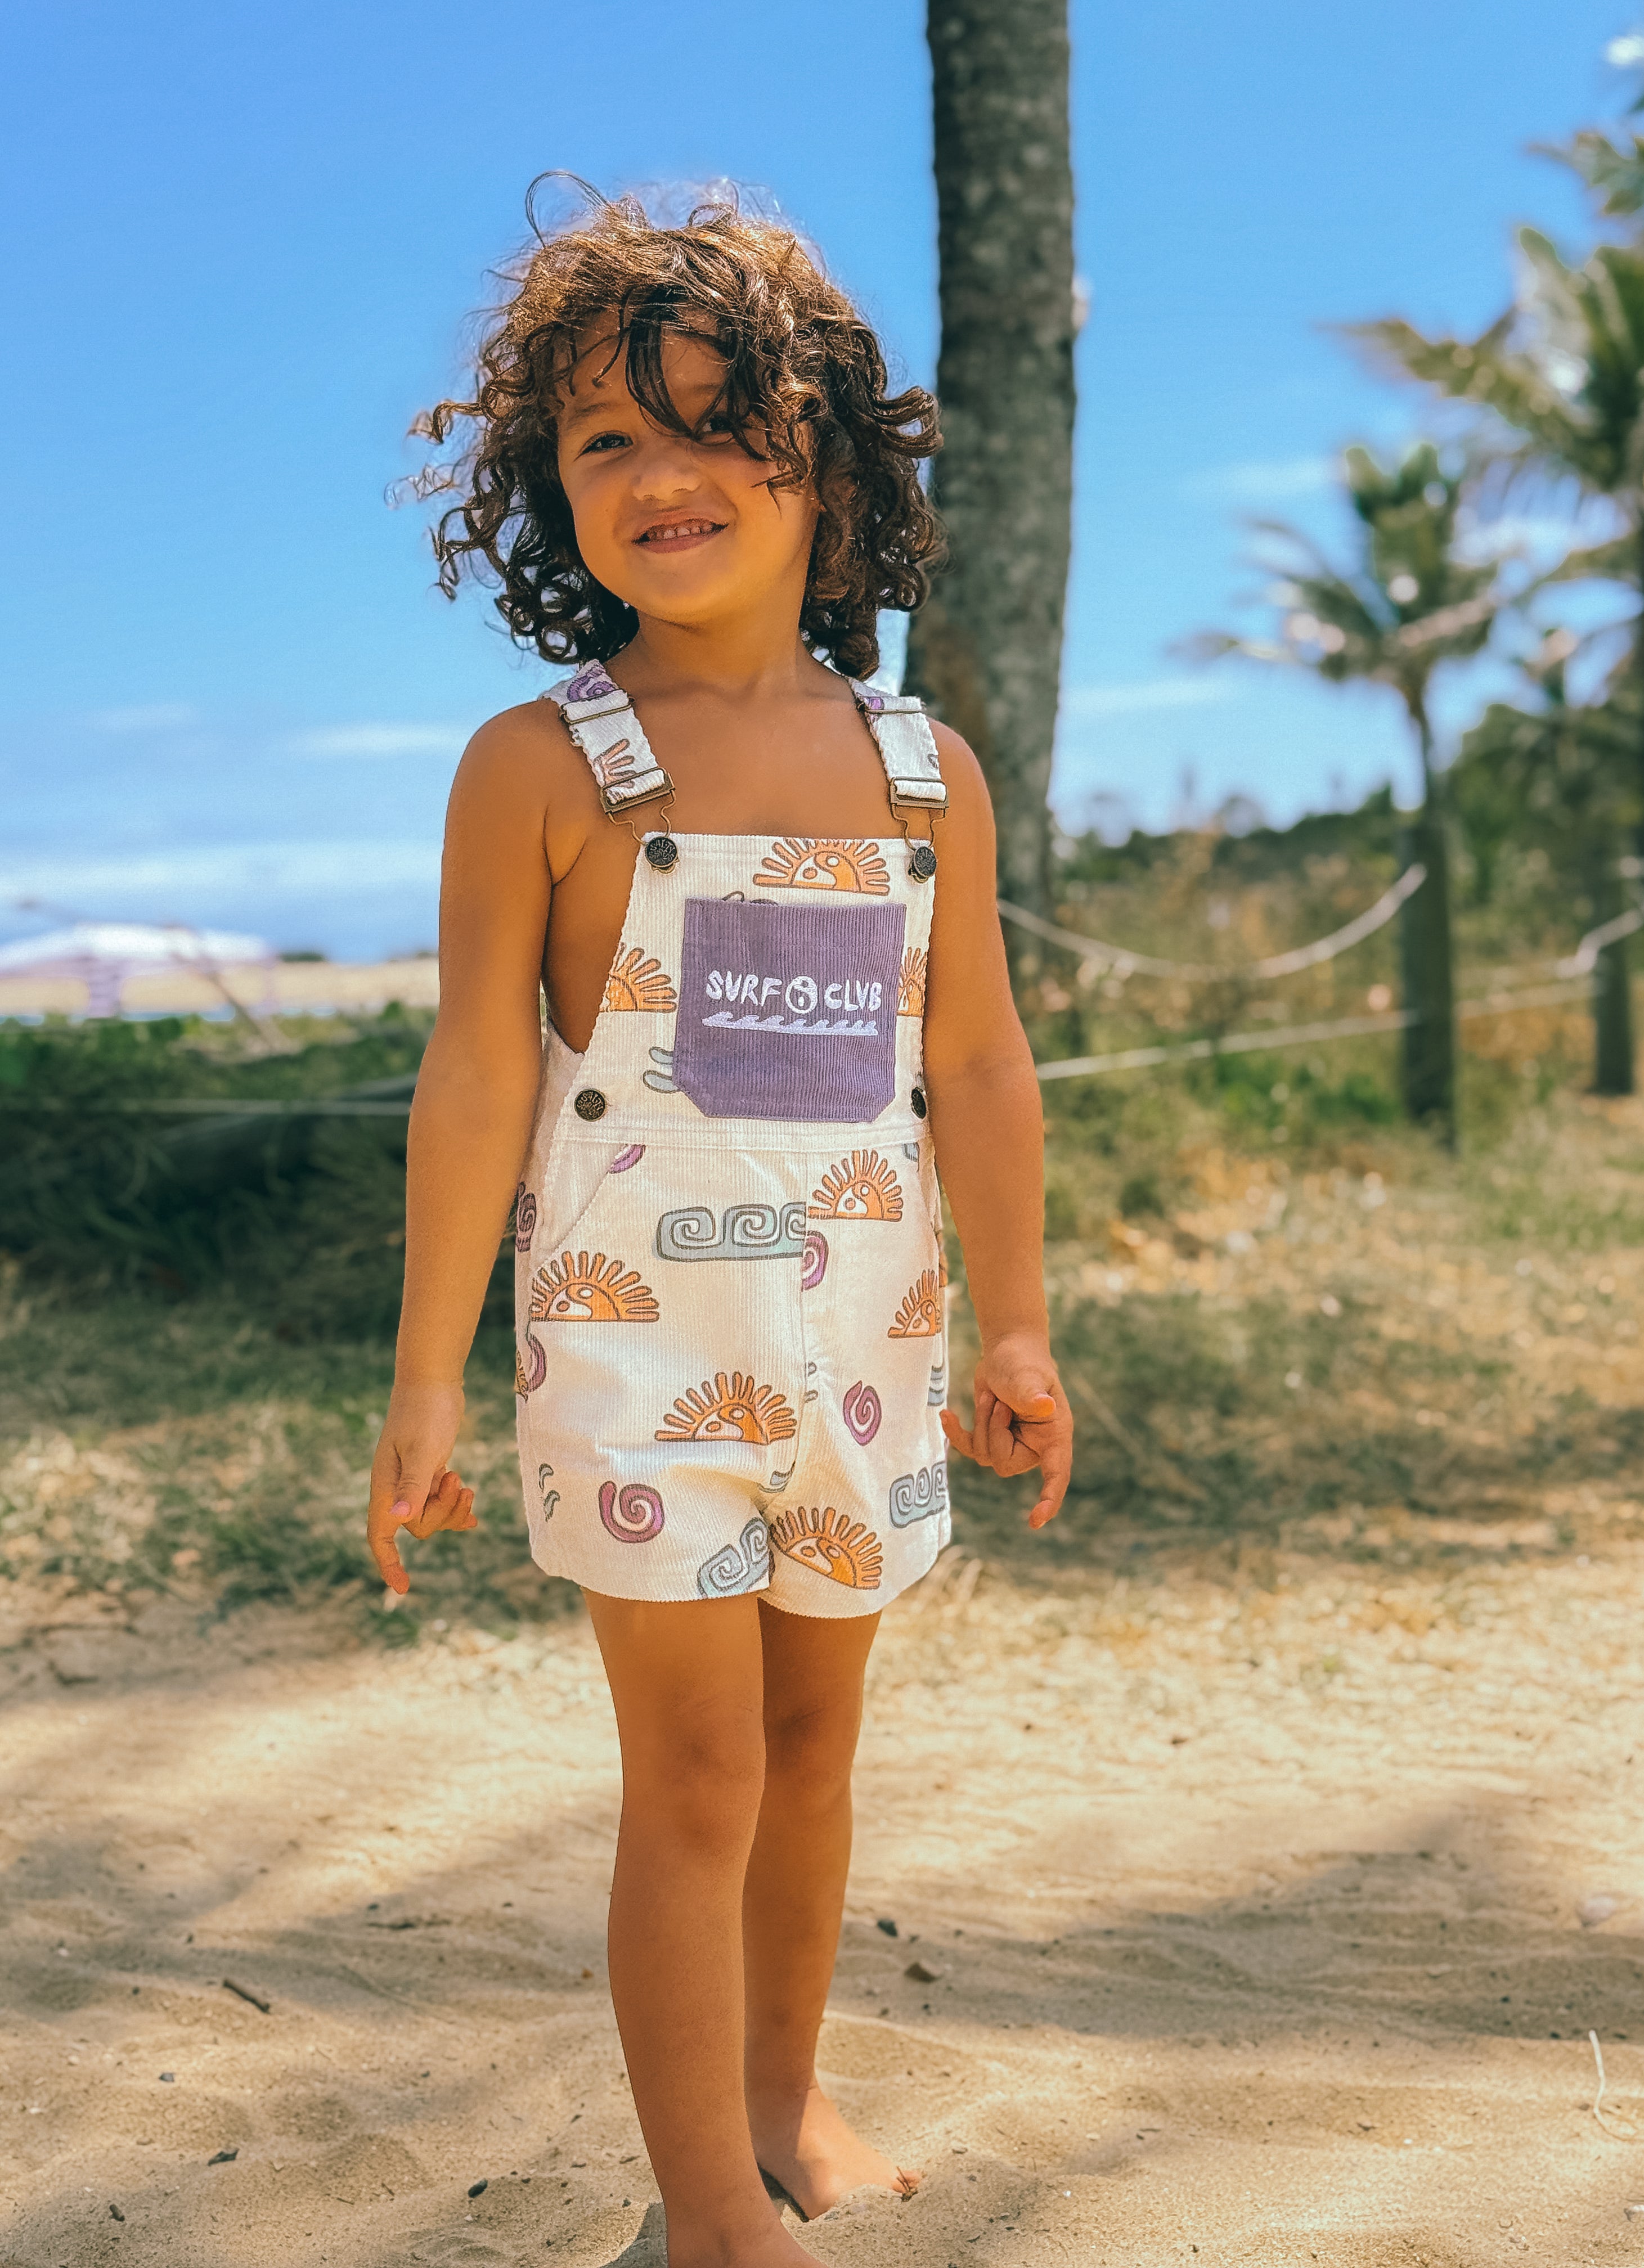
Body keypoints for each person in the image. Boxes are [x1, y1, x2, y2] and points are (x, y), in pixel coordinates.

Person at [365, 187, 1072, 2268]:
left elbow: (983, 1064)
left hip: (866, 1348)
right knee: (692, 1776)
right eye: (607, 438)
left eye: (712, 419)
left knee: (812, 1748)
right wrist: (423, 1382)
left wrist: (1016, 1329)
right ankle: (708, 2217)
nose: (660, 473)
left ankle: (782, 2096)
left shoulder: (927, 775)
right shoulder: (543, 768)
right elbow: (475, 1079)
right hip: (633, 1359)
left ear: (823, 452)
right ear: (548, 490)